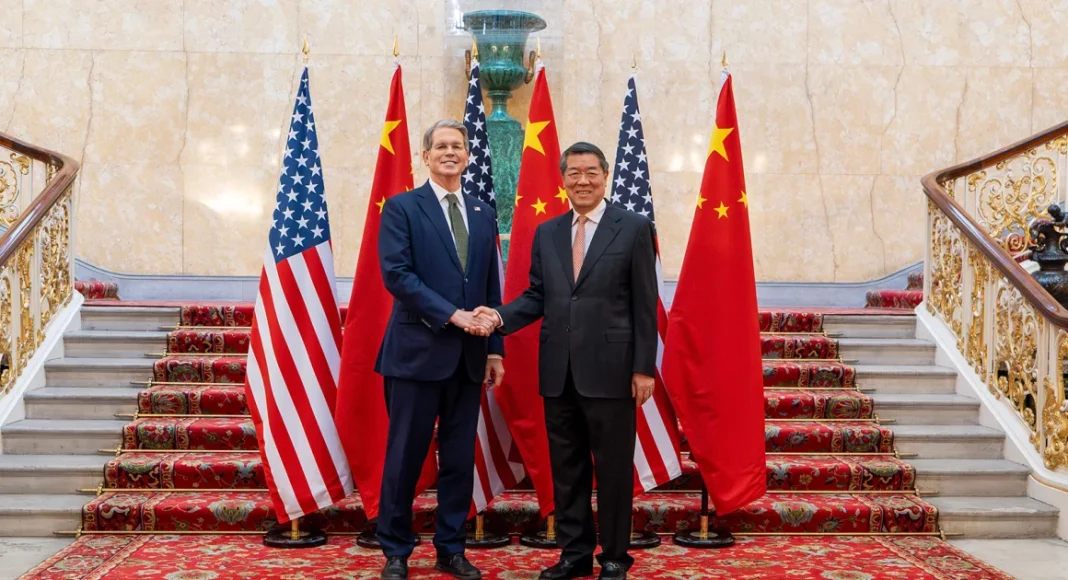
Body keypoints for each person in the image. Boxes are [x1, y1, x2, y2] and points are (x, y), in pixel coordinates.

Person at [475, 142, 658, 580]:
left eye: (591, 172)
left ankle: (614, 557)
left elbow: (645, 303)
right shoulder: (548, 232)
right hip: (559, 372)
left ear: (605, 175)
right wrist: (499, 317)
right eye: (574, 173)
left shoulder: (634, 227)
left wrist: (643, 368)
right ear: (563, 180)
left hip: (613, 372)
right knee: (567, 470)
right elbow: (538, 296)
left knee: (613, 471)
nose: (582, 180)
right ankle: (574, 555)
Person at [374, 119, 503, 580]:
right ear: (425, 156)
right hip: (416, 354)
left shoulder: (483, 213)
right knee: (405, 458)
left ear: (468, 156)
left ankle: (451, 548)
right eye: (441, 146)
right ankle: (396, 550)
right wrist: (453, 315)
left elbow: (489, 284)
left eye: (457, 146)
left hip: (469, 359)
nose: (450, 152)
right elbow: (397, 275)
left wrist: (495, 350)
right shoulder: (402, 208)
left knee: (459, 460)